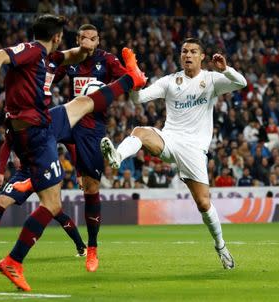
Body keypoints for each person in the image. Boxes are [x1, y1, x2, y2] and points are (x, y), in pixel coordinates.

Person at [0, 14, 146, 291]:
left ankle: (131, 79)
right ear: (57, 37)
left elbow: (73, 55)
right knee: (52, 205)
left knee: (84, 103)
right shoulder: (33, 51)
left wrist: (86, 48)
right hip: (36, 133)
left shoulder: (49, 59)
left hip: (38, 124)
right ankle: (13, 261)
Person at [100, 38, 247, 270]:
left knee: (203, 203)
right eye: (184, 51)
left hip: (194, 149)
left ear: (201, 57)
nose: (188, 55)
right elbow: (138, 99)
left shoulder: (211, 80)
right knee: (140, 131)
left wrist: (225, 69)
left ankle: (220, 246)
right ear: (180, 56)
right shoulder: (170, 81)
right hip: (169, 139)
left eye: (193, 52)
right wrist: (134, 81)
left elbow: (242, 83)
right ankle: (117, 157)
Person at [13, 24, 127, 272]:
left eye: (92, 38)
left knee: (91, 188)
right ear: (77, 39)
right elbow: (48, 75)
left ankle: (92, 248)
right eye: (83, 37)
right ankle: (29, 177)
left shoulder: (107, 60)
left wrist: (127, 77)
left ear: (98, 40)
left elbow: (127, 80)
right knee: (41, 130)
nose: (88, 41)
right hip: (70, 117)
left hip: (92, 129)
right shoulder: (70, 59)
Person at [0, 144, 88, 259]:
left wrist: (79, 174)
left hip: (46, 171)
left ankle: (82, 247)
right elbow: (7, 145)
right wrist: (1, 172)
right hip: (24, 172)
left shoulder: (50, 121)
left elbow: (71, 145)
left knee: (55, 211)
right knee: (0, 202)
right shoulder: (14, 121)